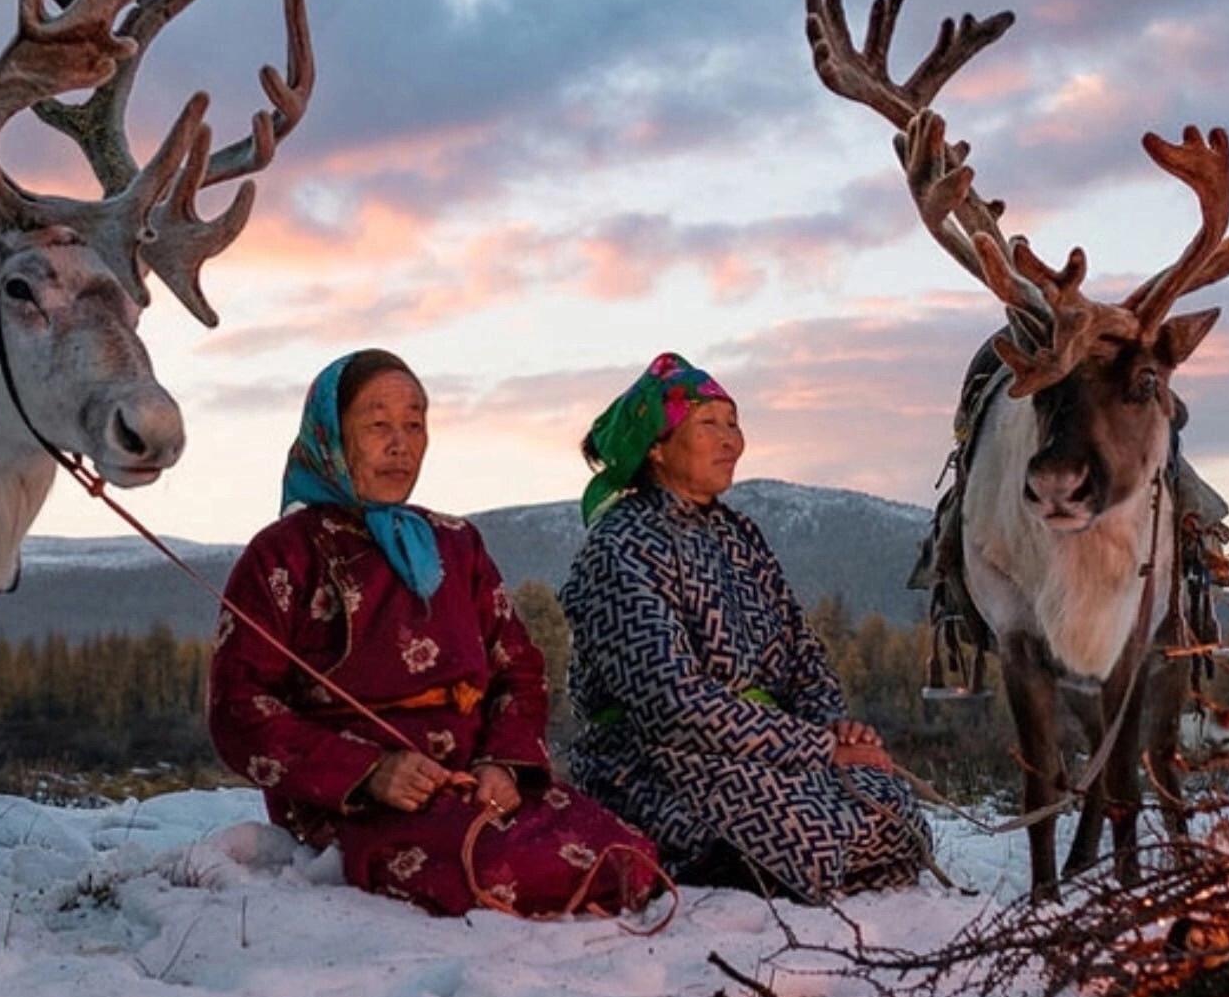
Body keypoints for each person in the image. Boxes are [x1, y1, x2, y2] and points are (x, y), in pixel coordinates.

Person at [209, 349, 659, 918]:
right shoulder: (282, 555)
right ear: (329, 435)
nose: (400, 444)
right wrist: (370, 773)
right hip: (356, 801)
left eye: (414, 424)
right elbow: (238, 709)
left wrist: (502, 764)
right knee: (499, 870)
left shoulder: (456, 543)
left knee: (629, 853)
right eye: (377, 425)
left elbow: (517, 668)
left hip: (477, 781)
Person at [559, 353, 929, 902]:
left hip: (764, 747)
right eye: (709, 424)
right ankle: (710, 861)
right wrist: (818, 748)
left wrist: (835, 729)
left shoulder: (740, 536)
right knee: (813, 836)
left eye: (734, 423)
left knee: (892, 809)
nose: (731, 440)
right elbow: (673, 706)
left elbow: (803, 654)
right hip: (656, 757)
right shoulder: (620, 548)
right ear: (657, 448)